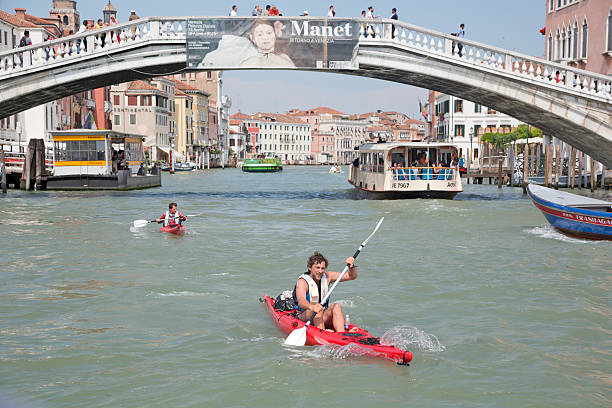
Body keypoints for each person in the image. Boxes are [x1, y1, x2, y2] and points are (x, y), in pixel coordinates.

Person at [292, 252, 358, 332]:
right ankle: (323, 333)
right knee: (318, 309)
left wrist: (351, 266)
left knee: (336, 306)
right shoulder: (303, 282)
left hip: (321, 315)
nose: (320, 271)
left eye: (322, 268)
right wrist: (312, 307)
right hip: (304, 316)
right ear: (309, 267)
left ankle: (342, 334)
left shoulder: (328, 276)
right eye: (317, 267)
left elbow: (351, 276)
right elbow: (301, 301)